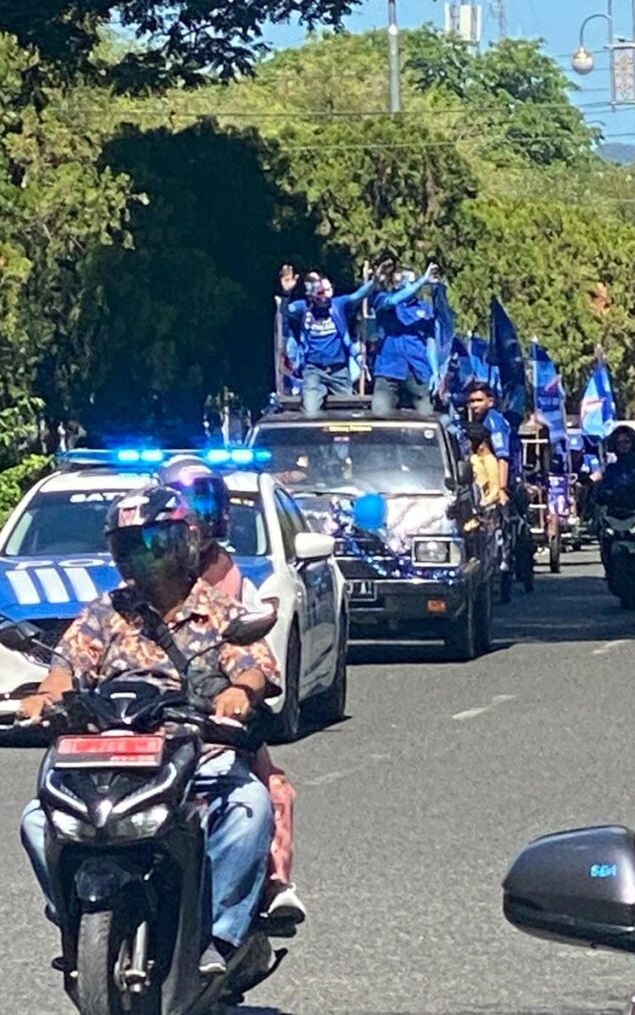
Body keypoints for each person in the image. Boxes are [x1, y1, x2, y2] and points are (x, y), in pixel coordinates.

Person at [19, 486, 279, 976]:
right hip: (109, 758)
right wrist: (45, 697)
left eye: (155, 543)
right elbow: (67, 667)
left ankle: (219, 937)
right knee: (38, 819)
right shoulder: (105, 612)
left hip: (194, 751)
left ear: (185, 542)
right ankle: (72, 909)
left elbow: (254, 666)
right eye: (131, 545)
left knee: (250, 810)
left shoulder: (218, 612)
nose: (144, 557)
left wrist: (240, 692)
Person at [158, 457, 306, 926]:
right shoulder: (139, 580)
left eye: (204, 501)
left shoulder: (230, 581)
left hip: (215, 713)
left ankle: (275, 885)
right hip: (146, 716)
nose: (197, 515)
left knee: (269, 788)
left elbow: (254, 653)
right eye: (186, 503)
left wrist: (241, 692)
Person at [290, 264, 375, 415]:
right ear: (311, 294)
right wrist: (285, 293)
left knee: (347, 411)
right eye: (321, 292)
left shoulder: (338, 305)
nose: (325, 296)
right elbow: (285, 311)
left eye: (328, 290)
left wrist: (374, 281)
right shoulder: (303, 308)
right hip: (313, 369)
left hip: (339, 369)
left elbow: (357, 296)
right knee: (310, 410)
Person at [370, 256, 440, 417]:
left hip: (418, 369)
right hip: (388, 368)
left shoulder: (425, 308)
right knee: (380, 413)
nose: (411, 285)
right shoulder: (384, 300)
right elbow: (392, 302)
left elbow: (430, 341)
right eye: (406, 281)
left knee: (426, 416)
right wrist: (421, 281)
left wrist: (435, 372)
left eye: (412, 281)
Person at [466, 382, 512, 505]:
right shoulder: (479, 419)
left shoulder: (495, 421)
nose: (475, 405)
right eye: (472, 401)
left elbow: (502, 457)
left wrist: (502, 489)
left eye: (479, 400)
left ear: (490, 402)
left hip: (496, 474)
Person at [466, 422, 502, 509]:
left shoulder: (490, 461)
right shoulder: (475, 458)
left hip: (486, 509)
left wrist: (485, 502)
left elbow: (495, 488)